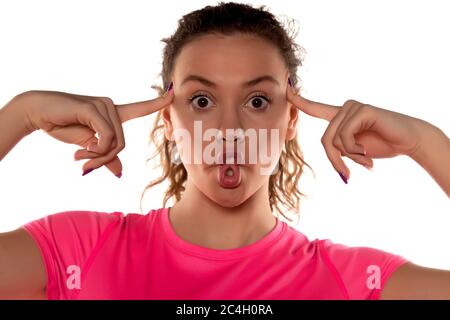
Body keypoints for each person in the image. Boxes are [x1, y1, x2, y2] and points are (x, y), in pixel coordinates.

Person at [0, 2, 449, 300]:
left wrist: (424, 141)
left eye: (257, 102)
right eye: (201, 101)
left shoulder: (353, 282)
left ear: (291, 119)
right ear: (168, 119)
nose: (229, 130)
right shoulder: (79, 251)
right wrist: (19, 115)